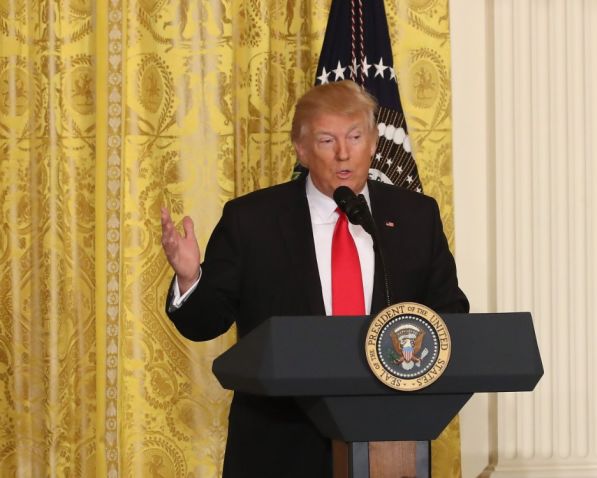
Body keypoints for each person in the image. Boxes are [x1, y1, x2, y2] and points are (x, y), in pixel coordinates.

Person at [159, 80, 469, 477]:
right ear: (301, 150)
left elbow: (449, 313)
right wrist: (190, 279)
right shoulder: (252, 220)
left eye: (355, 137)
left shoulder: (414, 216)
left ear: (374, 142)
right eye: (327, 140)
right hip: (279, 448)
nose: (344, 153)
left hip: (389, 445)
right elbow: (207, 322)